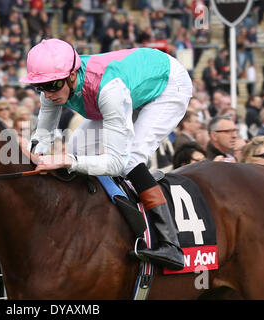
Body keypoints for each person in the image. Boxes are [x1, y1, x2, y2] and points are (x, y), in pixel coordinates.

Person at [20, 38, 193, 270]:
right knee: (77, 148)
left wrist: (67, 161)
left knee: (131, 159)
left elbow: (116, 162)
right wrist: (34, 157)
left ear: (72, 75)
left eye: (53, 85)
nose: (48, 94)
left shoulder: (109, 90)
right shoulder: (54, 86)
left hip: (168, 85)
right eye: (40, 87)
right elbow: (42, 137)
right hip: (133, 87)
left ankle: (170, 244)